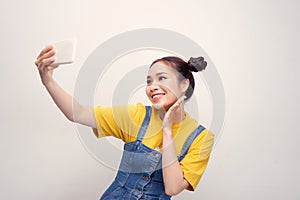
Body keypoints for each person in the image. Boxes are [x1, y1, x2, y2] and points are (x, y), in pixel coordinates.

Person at [35, 45, 214, 199]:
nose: (152, 86)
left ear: (184, 84)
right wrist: (48, 81)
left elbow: (172, 188)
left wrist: (167, 131)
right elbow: (79, 113)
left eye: (162, 78)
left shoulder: (201, 137)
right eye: (149, 80)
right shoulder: (136, 115)